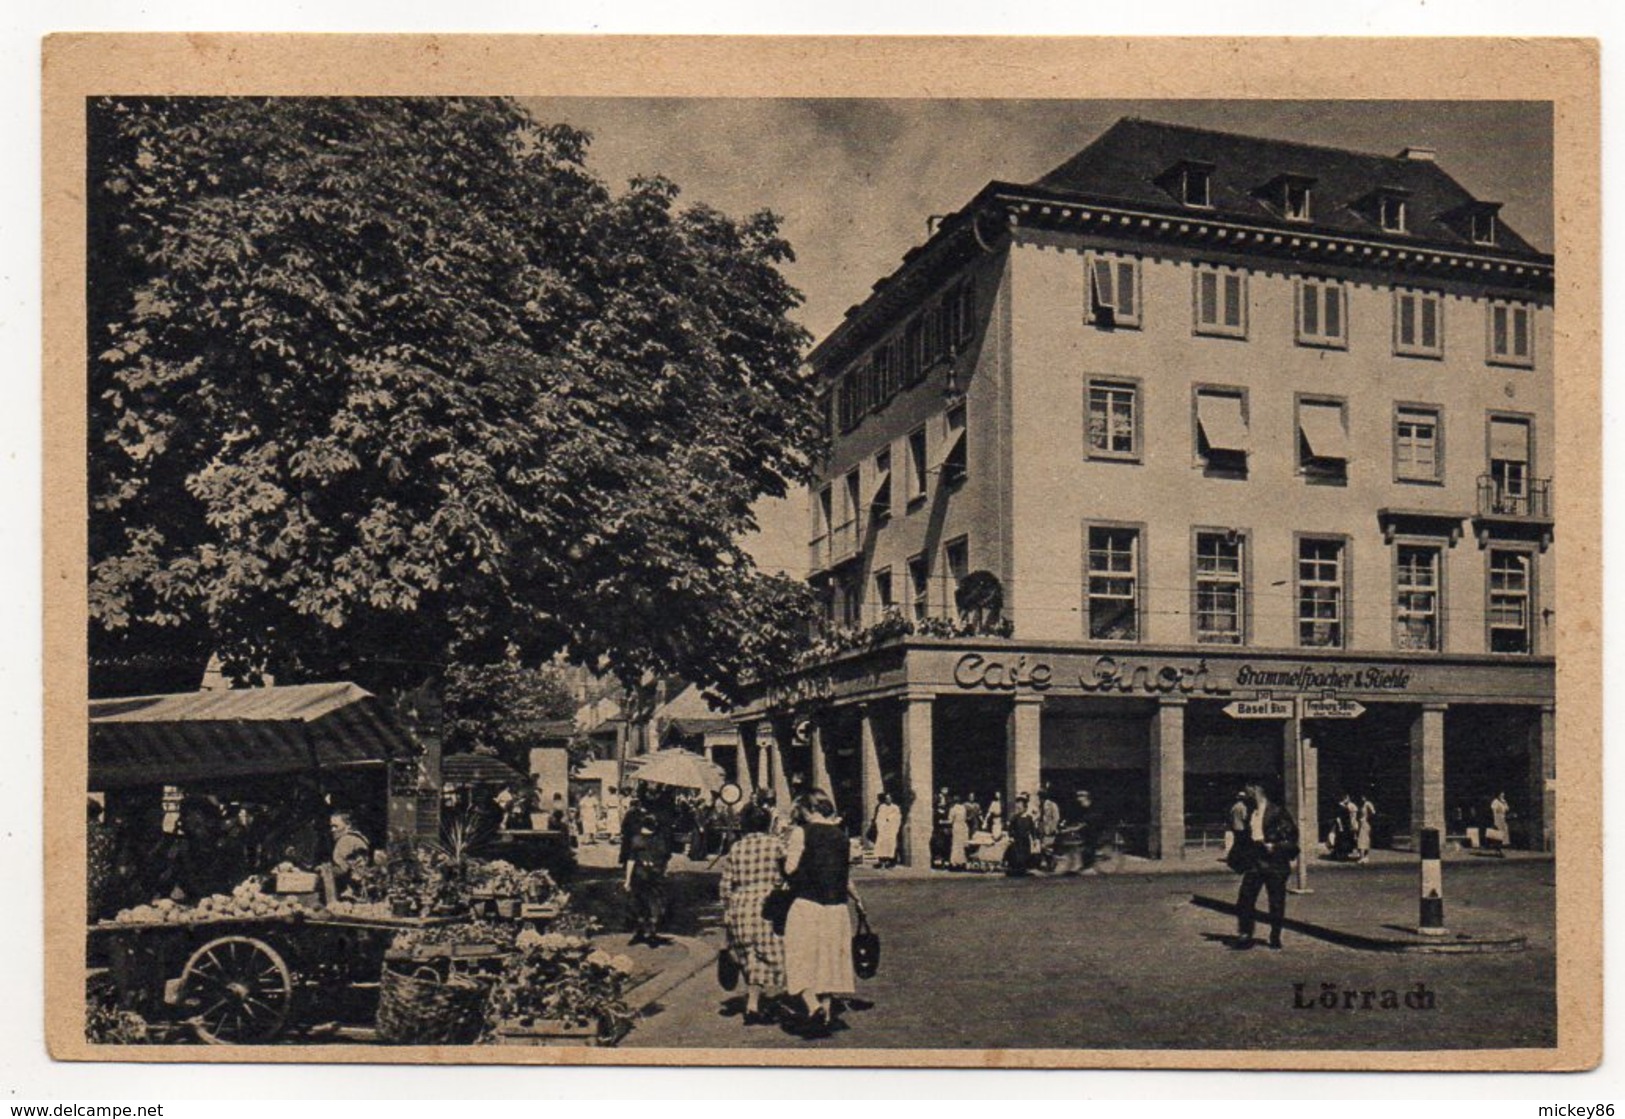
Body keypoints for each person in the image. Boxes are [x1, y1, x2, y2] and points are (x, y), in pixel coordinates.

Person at [782, 790, 855, 1034]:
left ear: (808, 809)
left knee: (799, 955)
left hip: (808, 904)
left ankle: (813, 1006)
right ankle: (827, 1012)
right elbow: (844, 876)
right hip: (836, 908)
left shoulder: (801, 833)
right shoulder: (842, 837)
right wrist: (860, 902)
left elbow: (791, 869)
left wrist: (784, 858)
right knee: (829, 960)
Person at [718, 804, 787, 1024]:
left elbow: (726, 884)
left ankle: (752, 1005)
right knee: (772, 954)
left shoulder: (736, 848)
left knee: (749, 956)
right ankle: (802, 1000)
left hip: (741, 906)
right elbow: (787, 874)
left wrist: (727, 910)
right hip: (768, 905)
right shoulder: (777, 845)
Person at [1227, 783, 1299, 950]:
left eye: (1248, 791)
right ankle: (1245, 934)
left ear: (1257, 790)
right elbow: (1242, 835)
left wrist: (1275, 846)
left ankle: (1275, 936)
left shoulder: (1277, 811)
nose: (1245, 794)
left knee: (1276, 901)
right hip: (1255, 861)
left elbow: (1291, 835)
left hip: (1275, 863)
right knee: (1245, 898)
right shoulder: (1249, 811)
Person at [623, 809, 672, 946]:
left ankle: (639, 931)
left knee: (638, 903)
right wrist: (663, 870)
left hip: (639, 876)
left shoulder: (636, 839)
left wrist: (627, 880)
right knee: (655, 903)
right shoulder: (660, 839)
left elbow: (631, 860)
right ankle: (651, 932)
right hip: (655, 876)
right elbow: (665, 858)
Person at [1056, 790, 1098, 875]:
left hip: (1092, 834)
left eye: (1081, 797)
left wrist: (1069, 829)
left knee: (1087, 850)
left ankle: (1088, 867)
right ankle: (1078, 866)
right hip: (1085, 835)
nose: (1079, 800)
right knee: (1077, 849)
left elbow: (1083, 824)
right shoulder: (1081, 810)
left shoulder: (1092, 810)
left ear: (1087, 798)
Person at [329, 810, 371, 891]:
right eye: (331, 827)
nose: (332, 830)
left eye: (336, 826)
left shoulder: (346, 840)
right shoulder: (357, 838)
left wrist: (325, 871)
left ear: (348, 825)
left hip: (351, 888)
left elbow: (342, 869)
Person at [1004, 794, 1038, 877]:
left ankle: (1023, 869)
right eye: (1017, 808)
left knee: (1025, 855)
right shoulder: (1015, 818)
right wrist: (1011, 836)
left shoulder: (1029, 818)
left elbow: (1032, 829)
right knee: (1016, 856)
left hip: (1025, 840)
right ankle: (1016, 870)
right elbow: (1010, 829)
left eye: (1020, 807)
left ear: (1025, 808)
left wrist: (1034, 839)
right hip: (1017, 841)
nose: (1018, 809)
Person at [871, 792, 902, 869]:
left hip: (891, 830)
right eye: (886, 798)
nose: (888, 800)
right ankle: (881, 861)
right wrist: (880, 824)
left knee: (891, 846)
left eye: (889, 798)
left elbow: (897, 818)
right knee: (881, 846)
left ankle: (890, 862)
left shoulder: (895, 808)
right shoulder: (882, 807)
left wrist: (889, 819)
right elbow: (879, 817)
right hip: (883, 830)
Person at [946, 794, 970, 871]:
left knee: (955, 845)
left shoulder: (953, 809)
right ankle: (961, 862)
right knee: (961, 845)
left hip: (956, 827)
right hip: (963, 827)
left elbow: (950, 820)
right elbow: (965, 818)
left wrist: (942, 821)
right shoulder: (963, 808)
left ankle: (954, 863)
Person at [1224, 789, 1249, 859]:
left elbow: (1230, 816)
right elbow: (1244, 817)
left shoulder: (1234, 807)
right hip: (1242, 827)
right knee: (1241, 842)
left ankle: (1233, 855)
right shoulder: (1243, 807)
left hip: (1234, 826)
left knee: (1236, 841)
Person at [1489, 791, 1511, 857]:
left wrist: (1504, 802)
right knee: (1498, 836)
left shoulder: (1503, 801)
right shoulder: (1495, 802)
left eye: (1503, 795)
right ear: (1498, 795)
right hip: (1497, 818)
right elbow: (1494, 812)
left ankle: (1500, 850)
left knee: (1504, 836)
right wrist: (1494, 821)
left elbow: (1507, 809)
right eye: (1501, 795)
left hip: (1503, 818)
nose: (1502, 796)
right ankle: (1498, 850)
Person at [1356, 794, 1377, 862]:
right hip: (1361, 823)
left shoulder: (1368, 804)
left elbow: (1373, 812)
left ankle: (1363, 857)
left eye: (1363, 797)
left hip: (1365, 823)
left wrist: (1368, 818)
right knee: (1362, 839)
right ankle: (1363, 856)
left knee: (1363, 839)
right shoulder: (1362, 805)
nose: (1362, 798)